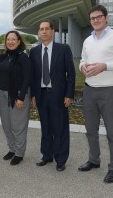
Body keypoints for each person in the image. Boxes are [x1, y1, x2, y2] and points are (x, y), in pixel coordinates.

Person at [78, 5, 113, 183]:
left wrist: (106, 66)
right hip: (89, 90)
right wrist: (82, 67)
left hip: (110, 91)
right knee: (90, 130)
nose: (95, 20)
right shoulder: (88, 40)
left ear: (106, 17)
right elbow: (82, 59)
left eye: (99, 17)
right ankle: (94, 160)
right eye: (92, 18)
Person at [30, 20, 75, 172]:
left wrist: (69, 94)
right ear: (38, 32)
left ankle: (61, 159)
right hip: (41, 95)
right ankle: (47, 155)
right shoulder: (34, 51)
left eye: (47, 29)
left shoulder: (63, 49)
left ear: (52, 31)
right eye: (41, 29)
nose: (44, 31)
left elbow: (71, 73)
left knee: (60, 128)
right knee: (45, 127)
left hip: (58, 96)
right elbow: (33, 76)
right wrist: (33, 95)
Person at [0, 31, 31, 166]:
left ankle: (19, 153)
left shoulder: (23, 57)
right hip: (3, 94)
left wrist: (21, 98)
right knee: (6, 124)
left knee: (18, 126)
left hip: (18, 95)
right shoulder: (4, 56)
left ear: (19, 41)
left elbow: (27, 78)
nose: (11, 42)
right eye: (8, 39)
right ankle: (12, 149)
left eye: (13, 39)